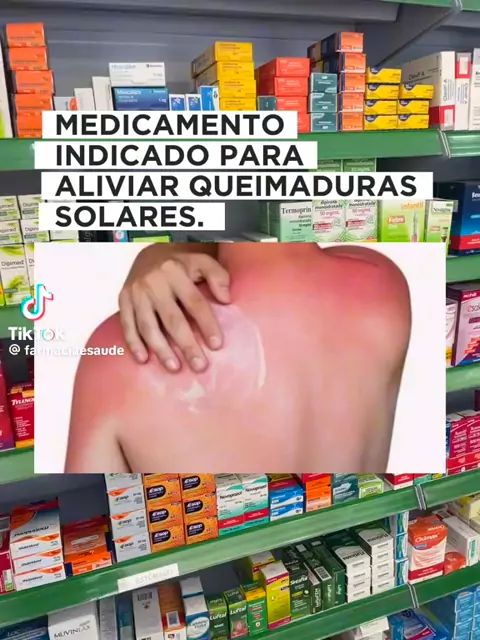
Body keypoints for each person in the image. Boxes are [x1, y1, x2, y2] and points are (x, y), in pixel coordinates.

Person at [65, 242, 412, 473]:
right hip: (354, 552)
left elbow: (85, 527)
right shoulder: (383, 284)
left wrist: (160, 251)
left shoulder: (122, 350)